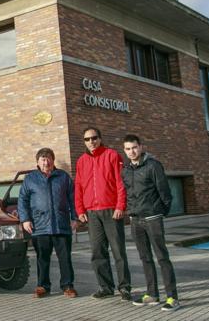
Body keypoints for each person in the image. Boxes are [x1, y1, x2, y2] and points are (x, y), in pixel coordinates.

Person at [122, 134, 179, 311]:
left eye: (134, 147)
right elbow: (128, 194)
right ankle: (152, 294)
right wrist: (131, 213)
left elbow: (165, 193)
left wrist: (159, 213)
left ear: (141, 147)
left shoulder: (153, 165)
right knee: (145, 258)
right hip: (135, 220)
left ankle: (173, 298)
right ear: (124, 150)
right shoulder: (126, 170)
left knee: (162, 257)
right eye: (128, 149)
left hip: (152, 218)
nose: (132, 151)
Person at [75, 127, 132, 300]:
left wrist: (120, 206)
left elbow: (120, 183)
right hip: (92, 213)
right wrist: (80, 209)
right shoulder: (81, 161)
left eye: (94, 138)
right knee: (97, 252)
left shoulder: (112, 155)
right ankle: (106, 287)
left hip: (111, 211)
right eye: (87, 139)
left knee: (118, 251)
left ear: (100, 138)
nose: (91, 142)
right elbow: (78, 187)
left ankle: (125, 287)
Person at [18, 148, 79, 299]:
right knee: (42, 259)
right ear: (37, 162)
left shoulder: (63, 177)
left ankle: (68, 286)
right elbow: (22, 200)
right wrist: (25, 219)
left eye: (49, 158)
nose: (46, 162)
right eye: (43, 159)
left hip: (61, 225)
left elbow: (73, 198)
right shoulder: (30, 179)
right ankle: (43, 286)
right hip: (39, 226)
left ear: (53, 160)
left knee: (65, 258)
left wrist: (75, 217)